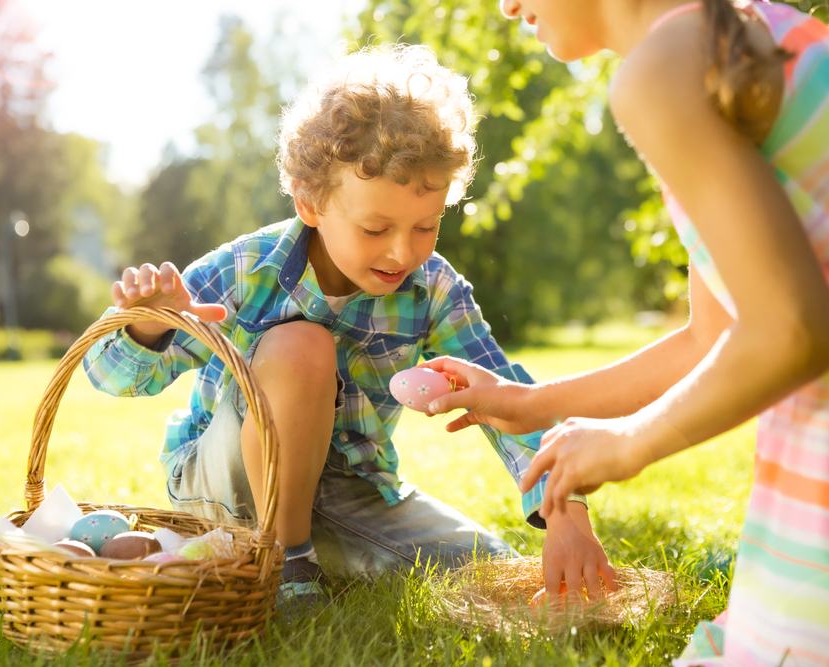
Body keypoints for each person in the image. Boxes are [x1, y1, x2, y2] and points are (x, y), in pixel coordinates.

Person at [423, 0, 829, 664]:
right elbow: (712, 336)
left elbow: (792, 331)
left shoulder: (663, 70)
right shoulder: (730, 33)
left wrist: (629, 444)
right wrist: (533, 402)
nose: (505, 5)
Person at [83, 44, 616, 612]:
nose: (401, 251)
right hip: (225, 488)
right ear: (311, 202)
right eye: (375, 227)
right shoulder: (245, 271)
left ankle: (303, 552)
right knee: (300, 345)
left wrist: (566, 513)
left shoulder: (432, 289)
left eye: (426, 227)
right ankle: (284, 567)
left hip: (344, 491)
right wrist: (146, 327)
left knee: (492, 570)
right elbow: (112, 379)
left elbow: (510, 398)